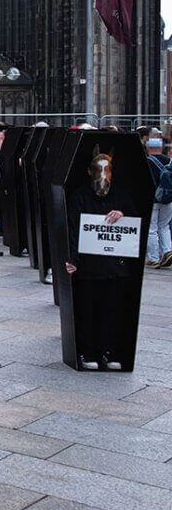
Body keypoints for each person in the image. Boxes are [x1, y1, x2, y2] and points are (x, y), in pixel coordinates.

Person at [65, 150, 136, 370]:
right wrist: (72, 260)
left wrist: (122, 215)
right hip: (88, 266)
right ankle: (88, 352)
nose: (103, 176)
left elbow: (134, 223)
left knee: (111, 311)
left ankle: (109, 351)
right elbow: (72, 230)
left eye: (107, 170)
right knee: (87, 309)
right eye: (98, 170)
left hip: (113, 267)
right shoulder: (79, 196)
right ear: (89, 171)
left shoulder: (121, 196)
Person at [145, 137, 172, 268]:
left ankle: (153, 258)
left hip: (153, 200)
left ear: (148, 148)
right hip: (168, 199)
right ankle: (167, 251)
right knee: (164, 226)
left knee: (152, 229)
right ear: (161, 148)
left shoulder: (146, 162)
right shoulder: (170, 161)